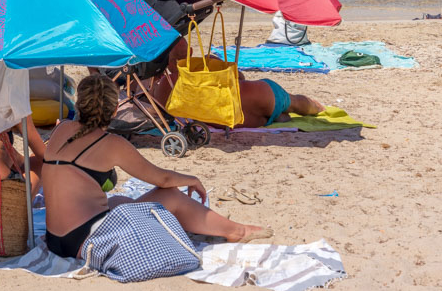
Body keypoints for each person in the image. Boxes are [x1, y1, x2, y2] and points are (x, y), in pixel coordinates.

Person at [41, 74, 272, 259]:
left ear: (79, 104)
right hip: (84, 241)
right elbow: (163, 179)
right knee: (171, 196)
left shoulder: (62, 129)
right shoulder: (111, 144)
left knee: (118, 201)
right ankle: (236, 231)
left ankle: (219, 227)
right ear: (115, 110)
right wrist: (191, 179)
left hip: (56, 240)